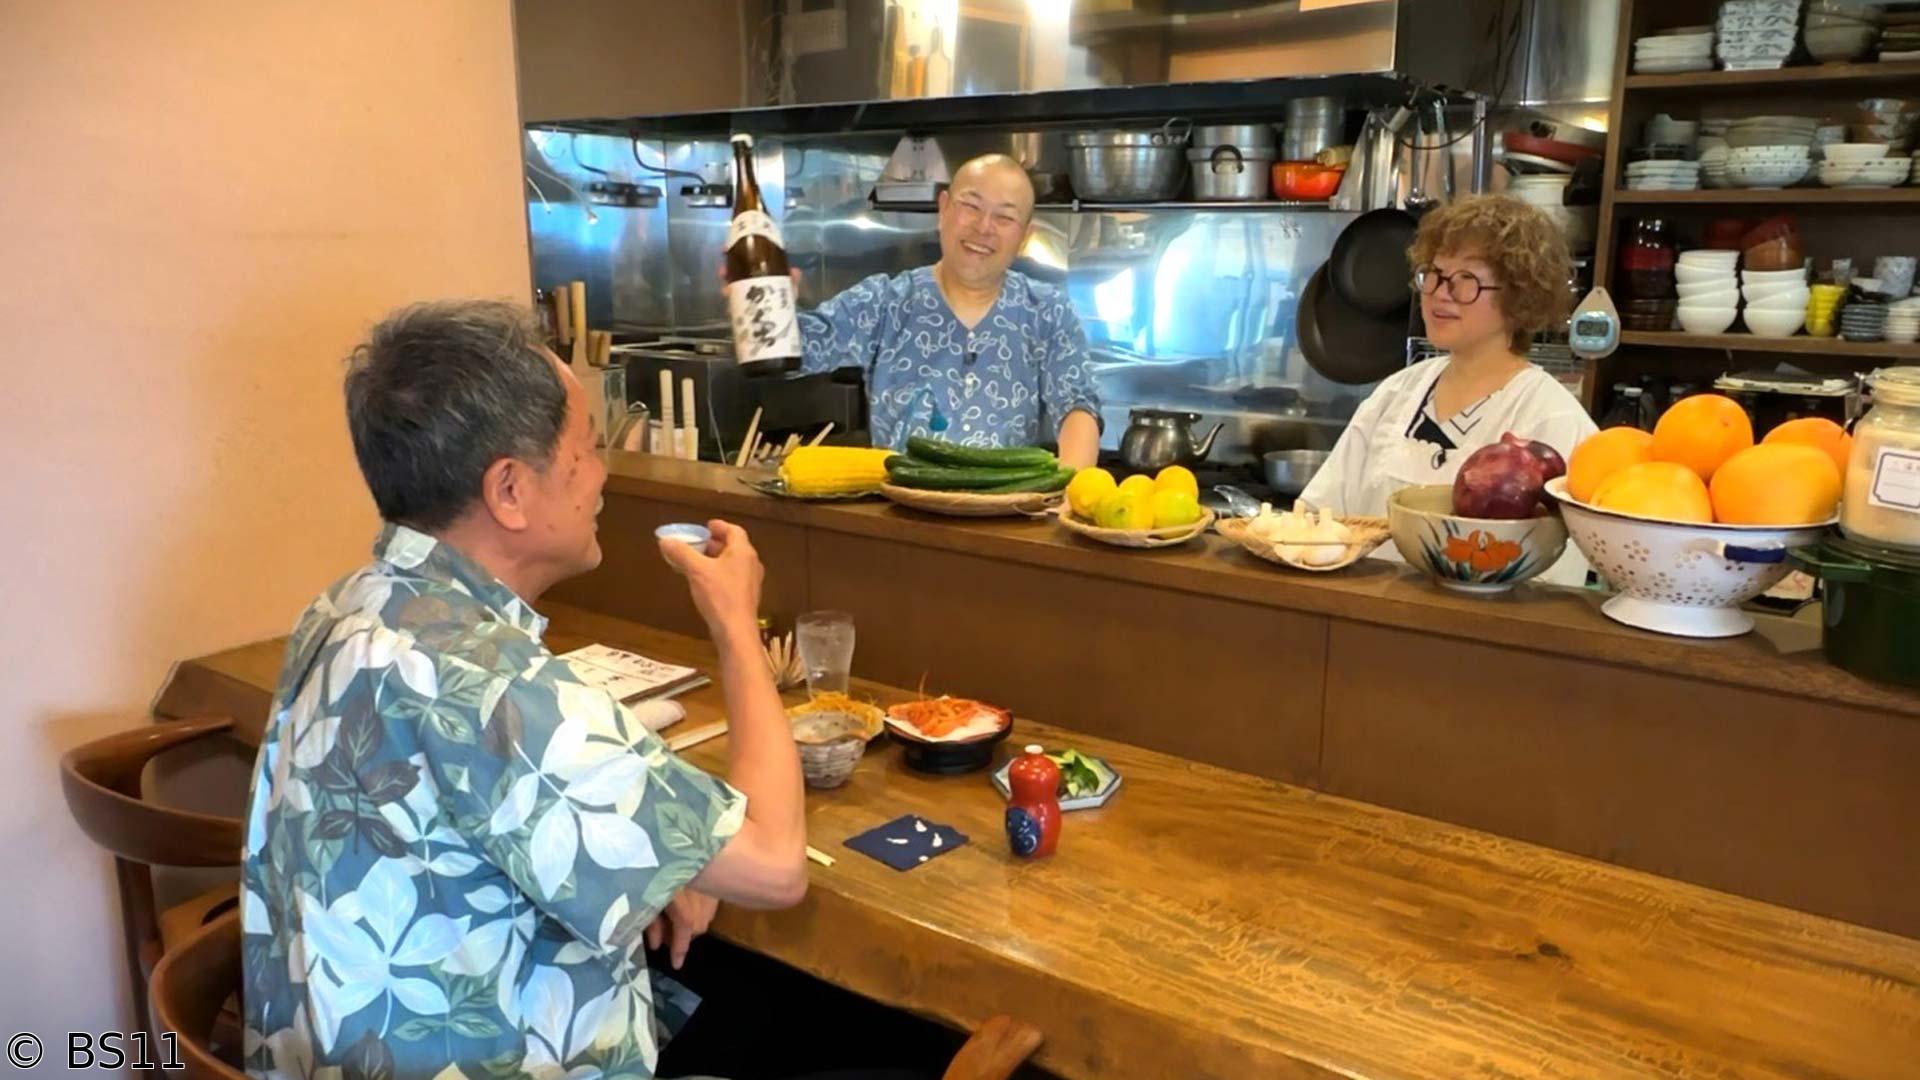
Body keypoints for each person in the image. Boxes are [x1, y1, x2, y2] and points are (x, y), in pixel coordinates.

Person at [239, 300, 808, 1080]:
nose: (604, 473)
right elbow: (777, 866)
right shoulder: (497, 688)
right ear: (510, 489)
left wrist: (661, 867)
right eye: (589, 449)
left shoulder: (348, 608)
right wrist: (738, 625)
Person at [1299, 194, 1598, 587]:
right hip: (1370, 618)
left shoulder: (1551, 418)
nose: (1441, 293)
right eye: (1435, 274)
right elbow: (1317, 517)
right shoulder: (1398, 392)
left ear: (1519, 296)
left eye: (1467, 281)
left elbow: (1557, 574)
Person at [796, 153, 1101, 467]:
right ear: (943, 209)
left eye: (1005, 217)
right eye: (971, 206)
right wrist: (774, 303)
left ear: (1023, 236)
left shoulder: (1048, 311)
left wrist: (1072, 489)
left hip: (1008, 512)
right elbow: (802, 347)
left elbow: (1076, 406)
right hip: (894, 511)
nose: (984, 227)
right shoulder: (885, 302)